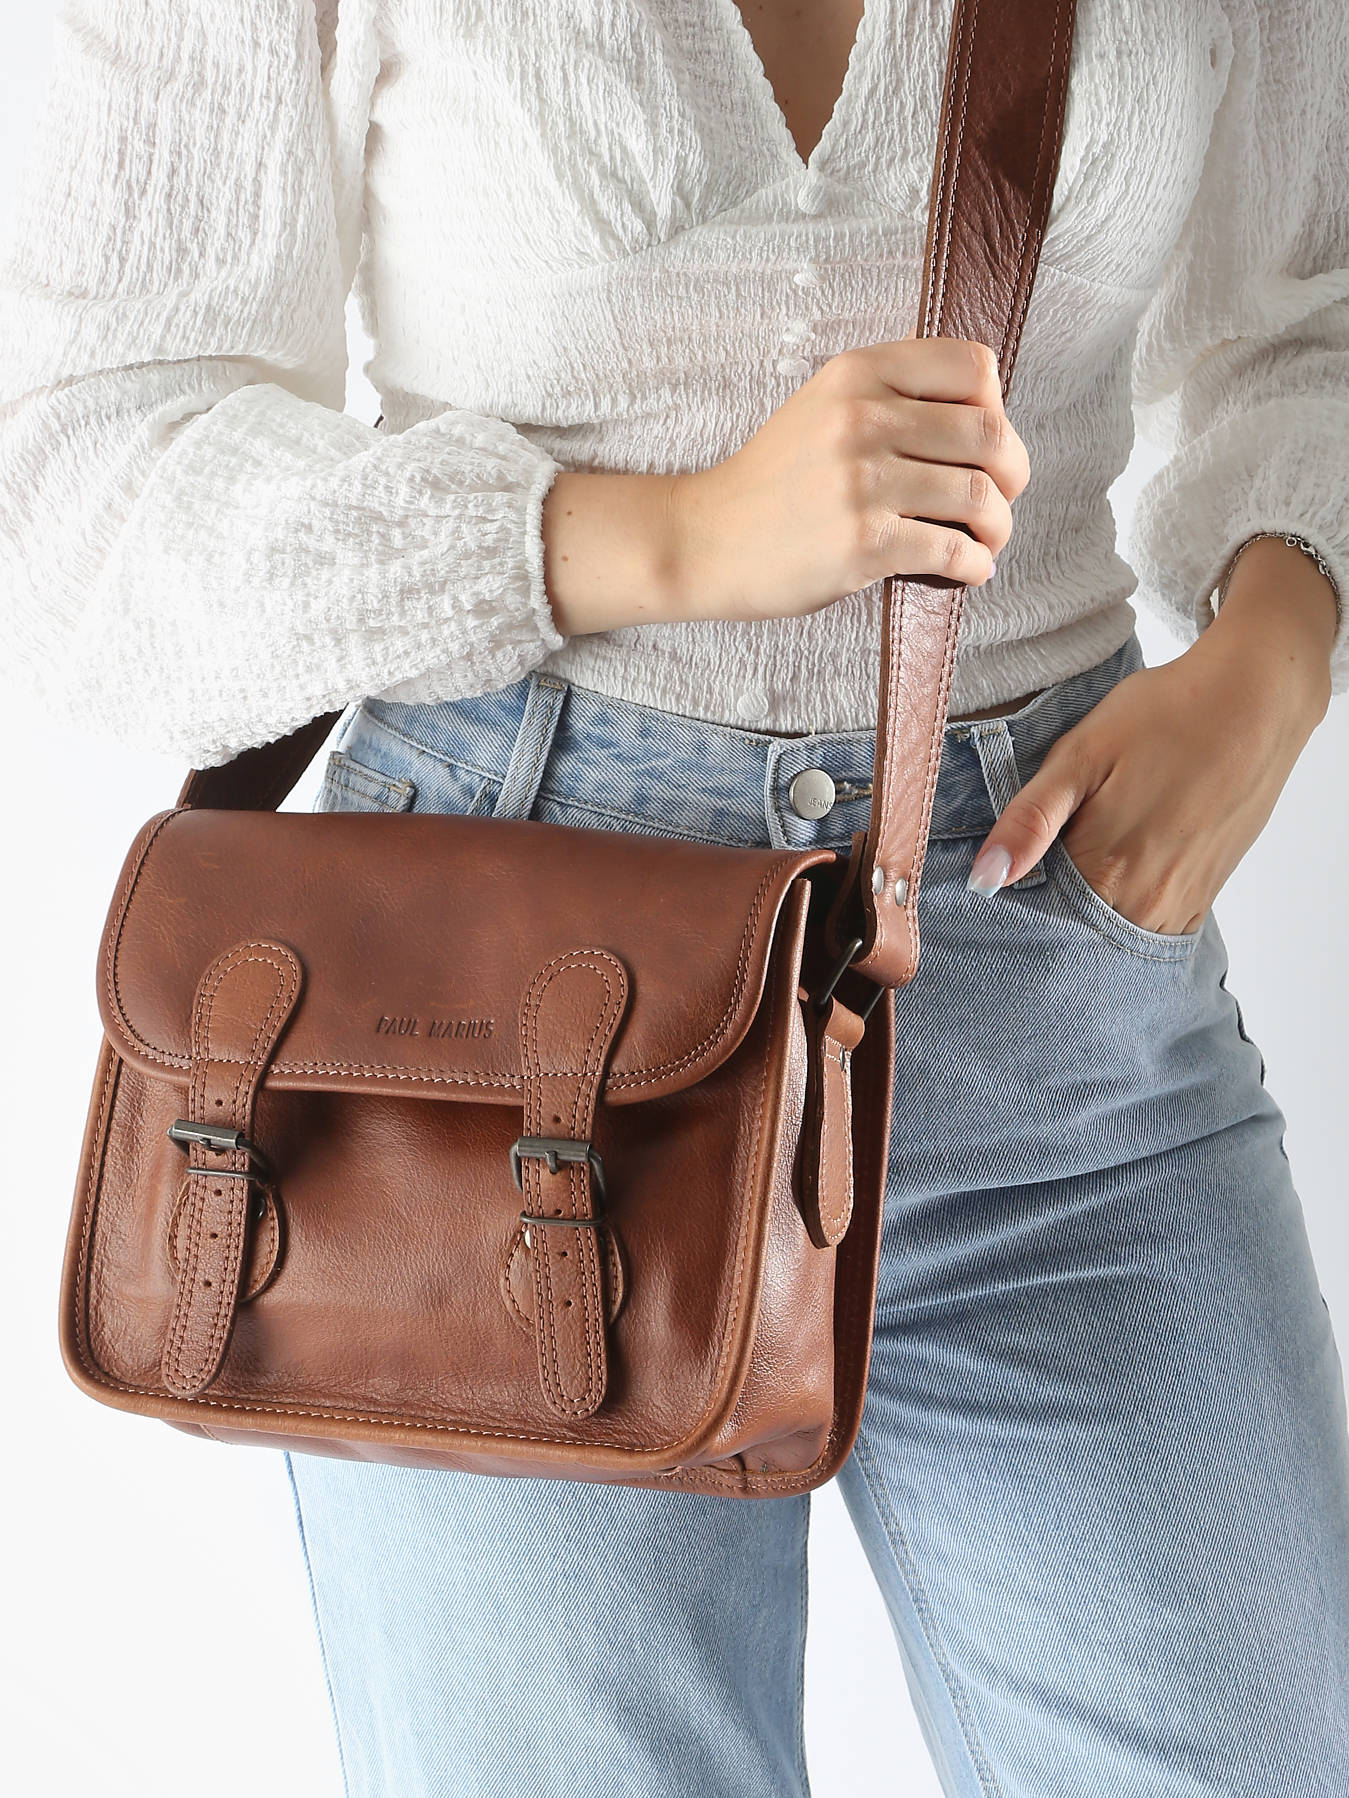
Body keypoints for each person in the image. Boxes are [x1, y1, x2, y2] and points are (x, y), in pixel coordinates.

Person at [2, 1, 1347, 1791]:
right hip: (489, 1033)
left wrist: (1275, 647)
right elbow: (85, 469)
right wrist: (673, 532)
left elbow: (1313, 304)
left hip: (1046, 948)